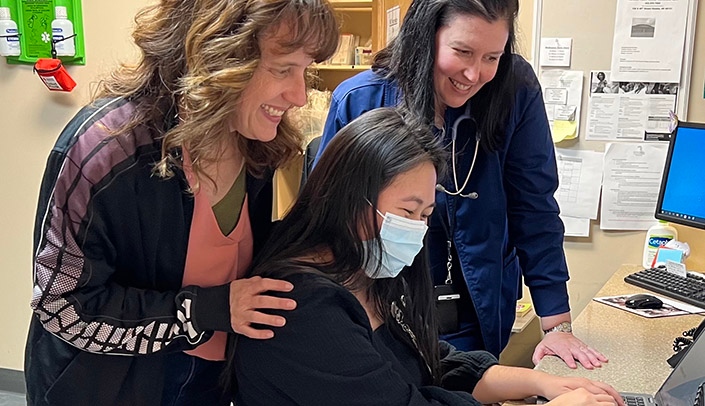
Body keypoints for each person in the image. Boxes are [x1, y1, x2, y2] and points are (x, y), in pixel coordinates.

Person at [24, 1, 338, 405]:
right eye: (282, 69)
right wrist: (203, 311)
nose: (298, 95)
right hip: (106, 385)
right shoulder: (104, 154)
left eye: (306, 70)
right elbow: (61, 307)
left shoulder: (262, 147)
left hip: (210, 378)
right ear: (217, 55)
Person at [232, 107, 624, 406]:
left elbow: (436, 363)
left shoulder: (370, 272)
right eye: (407, 212)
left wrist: (544, 383)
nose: (417, 229)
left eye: (426, 215)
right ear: (349, 198)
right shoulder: (300, 307)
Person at [313, 0, 607, 369]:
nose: (474, 74)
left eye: (491, 57)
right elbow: (324, 220)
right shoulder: (362, 99)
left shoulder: (513, 90)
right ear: (426, 37)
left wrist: (557, 326)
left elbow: (534, 208)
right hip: (379, 302)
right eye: (462, 52)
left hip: (476, 300)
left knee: (469, 381)